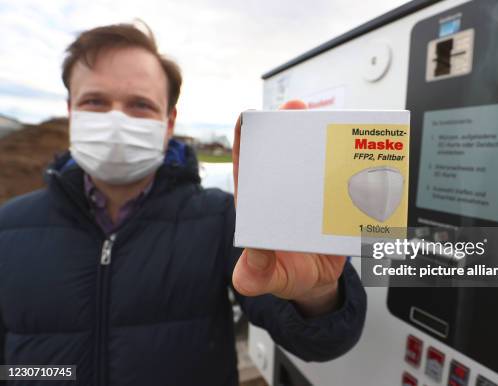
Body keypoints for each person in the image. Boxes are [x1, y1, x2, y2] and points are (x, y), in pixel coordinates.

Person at [0, 23, 367, 386]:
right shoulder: (7, 228)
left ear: (169, 121)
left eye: (139, 105)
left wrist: (317, 296)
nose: (116, 120)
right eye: (95, 101)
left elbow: (320, 341)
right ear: (71, 111)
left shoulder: (222, 217)